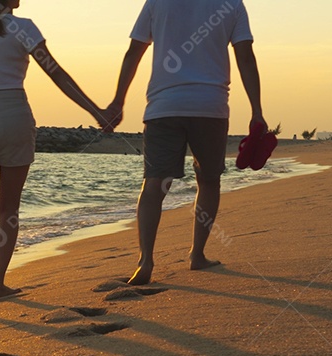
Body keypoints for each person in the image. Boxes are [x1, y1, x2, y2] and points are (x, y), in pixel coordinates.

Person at [0, 0, 109, 308]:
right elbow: (57, 74)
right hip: (14, 115)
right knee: (8, 209)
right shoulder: (23, 28)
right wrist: (95, 110)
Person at [103, 0, 266, 285]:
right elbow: (246, 57)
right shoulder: (232, 4)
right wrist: (256, 110)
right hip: (210, 105)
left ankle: (145, 261)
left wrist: (118, 100)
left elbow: (134, 52)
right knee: (208, 180)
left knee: (154, 183)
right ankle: (197, 255)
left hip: (163, 106)